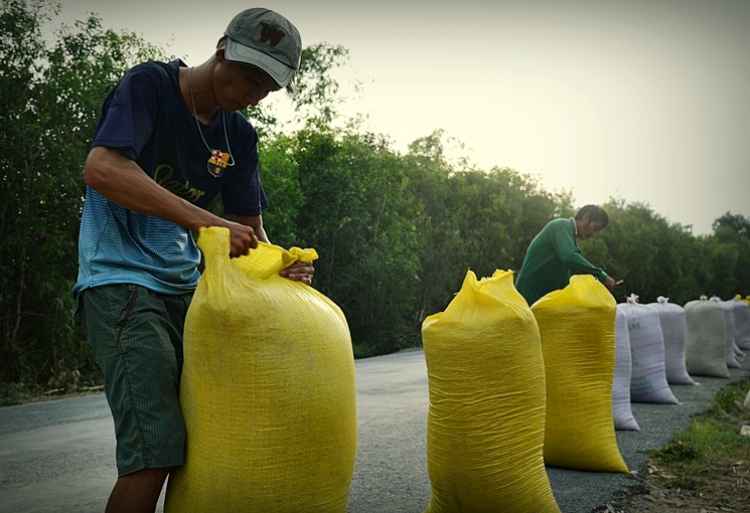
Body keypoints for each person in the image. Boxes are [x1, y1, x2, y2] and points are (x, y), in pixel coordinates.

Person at [72, 8, 312, 513]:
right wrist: (207, 222)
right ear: (223, 50)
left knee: (207, 439)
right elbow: (103, 168)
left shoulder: (239, 138)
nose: (253, 94)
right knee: (154, 450)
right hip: (121, 284)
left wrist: (281, 268)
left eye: (266, 87)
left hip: (189, 293)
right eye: (249, 77)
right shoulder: (150, 87)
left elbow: (251, 231)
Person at [515, 205, 620, 306]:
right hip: (528, 294)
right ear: (585, 217)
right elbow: (569, 257)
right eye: (595, 228)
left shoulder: (571, 243)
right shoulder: (561, 226)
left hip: (542, 300)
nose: (594, 234)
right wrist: (601, 276)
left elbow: (575, 275)